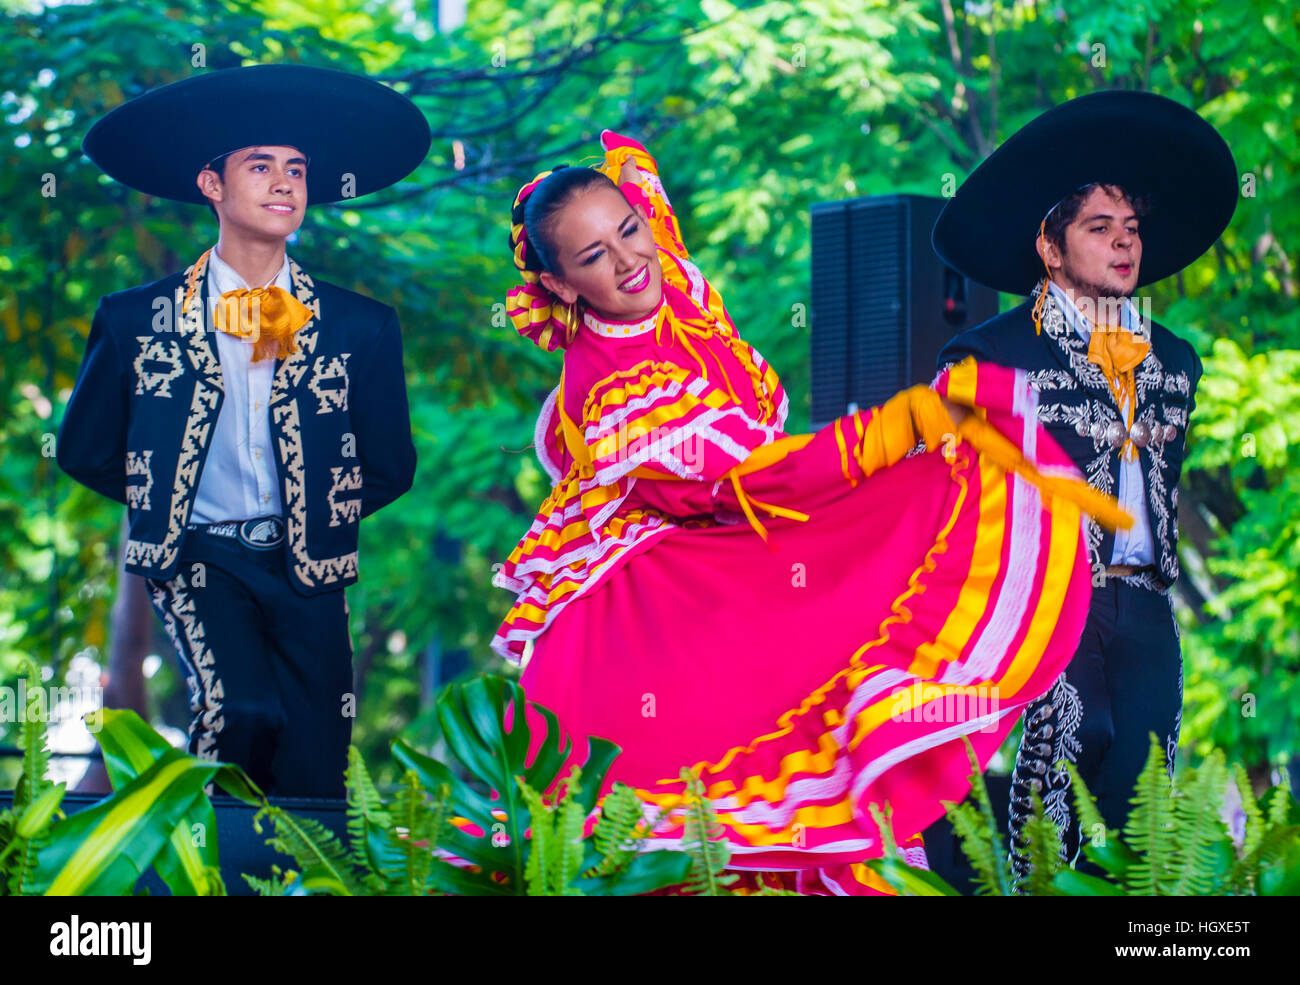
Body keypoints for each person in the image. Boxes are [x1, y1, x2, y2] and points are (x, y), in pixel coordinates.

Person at [488, 130, 1132, 894]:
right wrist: (894, 428)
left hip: (718, 552)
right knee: (705, 815)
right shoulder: (615, 391)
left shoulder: (663, 276)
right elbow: (756, 477)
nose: (629, 259)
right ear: (561, 287)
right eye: (594, 255)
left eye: (629, 229)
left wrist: (635, 183)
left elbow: (647, 216)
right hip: (645, 608)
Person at [58, 64, 430, 798]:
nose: (285, 182)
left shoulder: (362, 326)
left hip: (309, 562)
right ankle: (207, 872)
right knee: (242, 713)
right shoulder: (135, 318)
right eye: (260, 166)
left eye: (296, 168)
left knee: (317, 752)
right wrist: (166, 497)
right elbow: (85, 448)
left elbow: (390, 463)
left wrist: (318, 510)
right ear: (212, 185)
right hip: (201, 556)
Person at [932, 89, 1238, 884]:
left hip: (1146, 604)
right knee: (1056, 787)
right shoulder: (988, 357)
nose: (1124, 244)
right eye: (1099, 228)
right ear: (1051, 246)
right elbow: (944, 498)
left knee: (1148, 802)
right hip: (1050, 600)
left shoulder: (1175, 359)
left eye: (1131, 229)